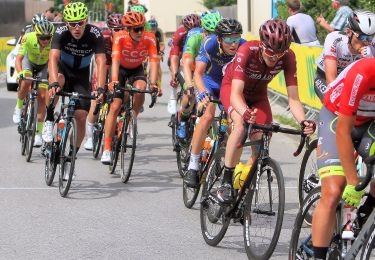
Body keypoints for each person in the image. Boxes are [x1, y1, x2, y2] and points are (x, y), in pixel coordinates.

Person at [217, 19, 316, 203]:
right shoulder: (247, 51)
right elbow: (236, 94)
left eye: (280, 53)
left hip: (259, 96)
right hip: (233, 90)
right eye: (270, 52)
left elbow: (293, 99)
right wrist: (245, 113)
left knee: (262, 140)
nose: (275, 58)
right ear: (262, 44)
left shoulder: (289, 57)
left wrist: (303, 121)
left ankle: (243, 189)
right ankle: (226, 182)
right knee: (240, 126)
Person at [311, 58, 375, 260]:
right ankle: (318, 256)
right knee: (333, 190)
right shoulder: (363, 72)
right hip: (337, 117)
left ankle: (366, 212)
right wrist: (354, 181)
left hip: (370, 121)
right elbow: (343, 132)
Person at [183, 18, 246, 187]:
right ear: (219, 39)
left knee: (235, 126)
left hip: (230, 86)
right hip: (209, 82)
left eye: (236, 39)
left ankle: (228, 167)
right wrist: (202, 92)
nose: (234, 44)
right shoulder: (209, 44)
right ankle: (193, 166)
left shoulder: (244, 47)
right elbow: (198, 73)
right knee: (208, 115)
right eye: (229, 40)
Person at [43, 2, 106, 166]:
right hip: (63, 70)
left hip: (81, 75)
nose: (77, 27)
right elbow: (53, 58)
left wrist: (100, 88)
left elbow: (100, 61)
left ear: (86, 20)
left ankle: (71, 155)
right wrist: (53, 82)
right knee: (58, 83)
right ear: (66, 23)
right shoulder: (60, 32)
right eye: (72, 24)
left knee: (81, 116)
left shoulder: (95, 33)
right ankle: (49, 121)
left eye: (80, 22)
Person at [100, 11, 159, 164]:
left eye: (141, 28)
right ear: (127, 30)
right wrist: (113, 81)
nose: (140, 32)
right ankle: (107, 148)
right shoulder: (119, 38)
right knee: (115, 106)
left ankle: (132, 118)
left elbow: (153, 62)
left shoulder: (150, 38)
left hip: (136, 68)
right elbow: (115, 61)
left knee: (140, 89)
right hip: (120, 69)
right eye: (136, 29)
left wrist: (153, 83)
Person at [176, 11, 222, 140]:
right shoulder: (195, 38)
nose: (214, 37)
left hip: (206, 73)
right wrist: (190, 84)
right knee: (189, 93)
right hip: (190, 69)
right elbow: (186, 62)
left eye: (216, 33)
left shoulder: (222, 41)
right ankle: (183, 121)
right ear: (204, 31)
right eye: (210, 33)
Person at [83, 13, 124, 150]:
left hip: (118, 64)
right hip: (104, 62)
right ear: (110, 29)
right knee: (96, 98)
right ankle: (89, 138)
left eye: (122, 29)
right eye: (116, 30)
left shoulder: (126, 38)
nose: (120, 32)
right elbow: (98, 60)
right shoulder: (104, 37)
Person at [314, 10, 375, 100]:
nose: (366, 42)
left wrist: (371, 61)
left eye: (370, 37)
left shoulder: (372, 45)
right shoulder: (335, 39)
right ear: (349, 32)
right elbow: (331, 81)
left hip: (350, 82)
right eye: (362, 37)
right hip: (324, 77)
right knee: (334, 103)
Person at [13, 20, 55, 147]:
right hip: (29, 62)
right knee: (26, 81)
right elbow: (19, 58)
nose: (46, 41)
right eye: (43, 38)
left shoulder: (54, 42)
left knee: (42, 97)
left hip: (43, 66)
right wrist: (20, 72)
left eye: (48, 38)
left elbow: (55, 61)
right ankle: (18, 108)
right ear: (36, 35)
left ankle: (38, 134)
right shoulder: (28, 37)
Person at [168, 14, 201, 88]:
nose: (194, 32)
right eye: (190, 30)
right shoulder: (179, 33)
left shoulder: (203, 32)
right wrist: (174, 74)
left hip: (196, 58)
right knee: (187, 92)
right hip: (181, 55)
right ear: (185, 28)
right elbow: (174, 57)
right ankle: (174, 95)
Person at [149, 18, 165, 95]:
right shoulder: (145, 32)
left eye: (154, 29)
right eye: (151, 29)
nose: (153, 30)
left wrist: (161, 51)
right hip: (147, 50)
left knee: (157, 65)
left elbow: (162, 45)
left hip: (156, 50)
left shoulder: (159, 32)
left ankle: (159, 85)